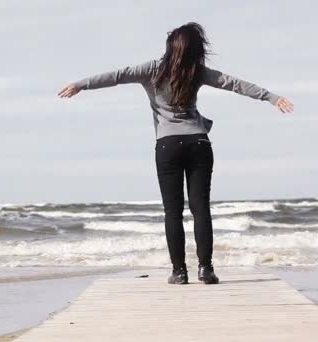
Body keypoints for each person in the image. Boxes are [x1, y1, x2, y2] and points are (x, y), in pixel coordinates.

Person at [58, 22, 294, 285]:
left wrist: (80, 85)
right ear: (196, 49)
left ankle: (179, 272)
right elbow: (234, 84)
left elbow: (116, 76)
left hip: (167, 146)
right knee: (200, 208)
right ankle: (206, 269)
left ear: (170, 47)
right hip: (198, 143)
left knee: (173, 211)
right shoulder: (197, 71)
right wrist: (271, 97)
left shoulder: (151, 70)